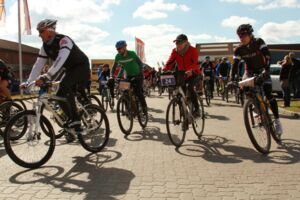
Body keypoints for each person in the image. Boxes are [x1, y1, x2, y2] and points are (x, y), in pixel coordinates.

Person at [21, 19, 90, 134]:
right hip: (69, 69)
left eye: (41, 31)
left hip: (81, 66)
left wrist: (46, 76)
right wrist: (29, 82)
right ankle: (72, 119)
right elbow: (38, 65)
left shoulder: (64, 40)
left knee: (64, 85)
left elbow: (60, 59)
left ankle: (76, 119)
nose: (39, 35)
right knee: (59, 94)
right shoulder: (45, 47)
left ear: (50, 30)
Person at [231, 24, 283, 135]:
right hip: (249, 71)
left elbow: (267, 56)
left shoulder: (258, 42)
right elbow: (235, 64)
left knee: (269, 94)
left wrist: (266, 70)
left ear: (250, 34)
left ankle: (277, 121)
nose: (241, 38)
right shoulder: (239, 49)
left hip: (263, 69)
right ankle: (257, 109)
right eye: (239, 36)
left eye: (244, 35)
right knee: (245, 87)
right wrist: (232, 79)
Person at [163, 34, 201, 117]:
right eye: (176, 43)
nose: (177, 45)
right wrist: (164, 69)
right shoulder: (175, 51)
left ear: (186, 43)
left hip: (194, 72)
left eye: (179, 43)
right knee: (180, 93)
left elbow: (194, 63)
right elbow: (170, 61)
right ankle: (184, 115)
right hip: (182, 73)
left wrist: (190, 70)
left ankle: (197, 109)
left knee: (190, 88)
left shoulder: (193, 50)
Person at [111, 40, 147, 114]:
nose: (118, 50)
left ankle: (144, 108)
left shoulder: (132, 54)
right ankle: (128, 109)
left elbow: (140, 63)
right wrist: (112, 76)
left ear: (125, 47)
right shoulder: (118, 56)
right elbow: (114, 67)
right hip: (128, 76)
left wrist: (140, 73)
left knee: (137, 91)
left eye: (120, 48)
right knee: (124, 92)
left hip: (138, 75)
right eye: (117, 49)